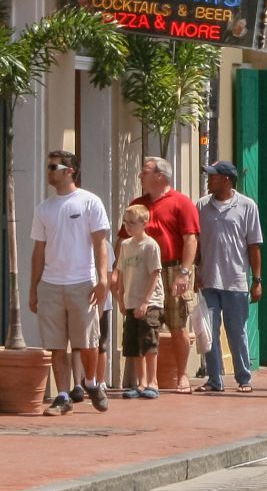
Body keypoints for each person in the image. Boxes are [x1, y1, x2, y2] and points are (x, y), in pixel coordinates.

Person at [31, 151, 112, 414]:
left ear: (69, 171)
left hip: (82, 282)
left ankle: (90, 382)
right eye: (48, 166)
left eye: (53, 166)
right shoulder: (44, 208)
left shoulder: (90, 202)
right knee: (56, 344)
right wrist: (34, 288)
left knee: (87, 342)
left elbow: (100, 243)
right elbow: (39, 251)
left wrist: (102, 279)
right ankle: (63, 396)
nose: (49, 171)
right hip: (51, 284)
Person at [128, 156, 199, 393]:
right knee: (146, 325)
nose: (140, 175)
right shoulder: (138, 206)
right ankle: (148, 381)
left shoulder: (181, 202)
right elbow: (123, 239)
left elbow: (191, 239)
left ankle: (182, 375)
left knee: (178, 324)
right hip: (142, 272)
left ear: (160, 176)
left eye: (145, 171)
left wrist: (184, 272)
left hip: (172, 269)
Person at [196, 161, 263, 394]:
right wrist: (195, 270)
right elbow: (195, 243)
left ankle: (244, 377)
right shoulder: (202, 206)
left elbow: (254, 245)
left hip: (236, 281)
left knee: (237, 330)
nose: (208, 180)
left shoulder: (247, 206)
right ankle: (215, 378)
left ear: (226, 179)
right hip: (208, 281)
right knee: (209, 330)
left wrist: (257, 280)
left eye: (212, 176)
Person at [112, 204, 165, 399]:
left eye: (132, 223)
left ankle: (153, 382)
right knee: (134, 343)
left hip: (150, 302)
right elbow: (121, 273)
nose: (128, 227)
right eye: (126, 223)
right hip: (131, 301)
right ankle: (141, 382)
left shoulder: (150, 246)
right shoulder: (126, 246)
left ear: (144, 223)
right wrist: (121, 298)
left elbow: (154, 275)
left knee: (149, 341)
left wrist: (145, 301)